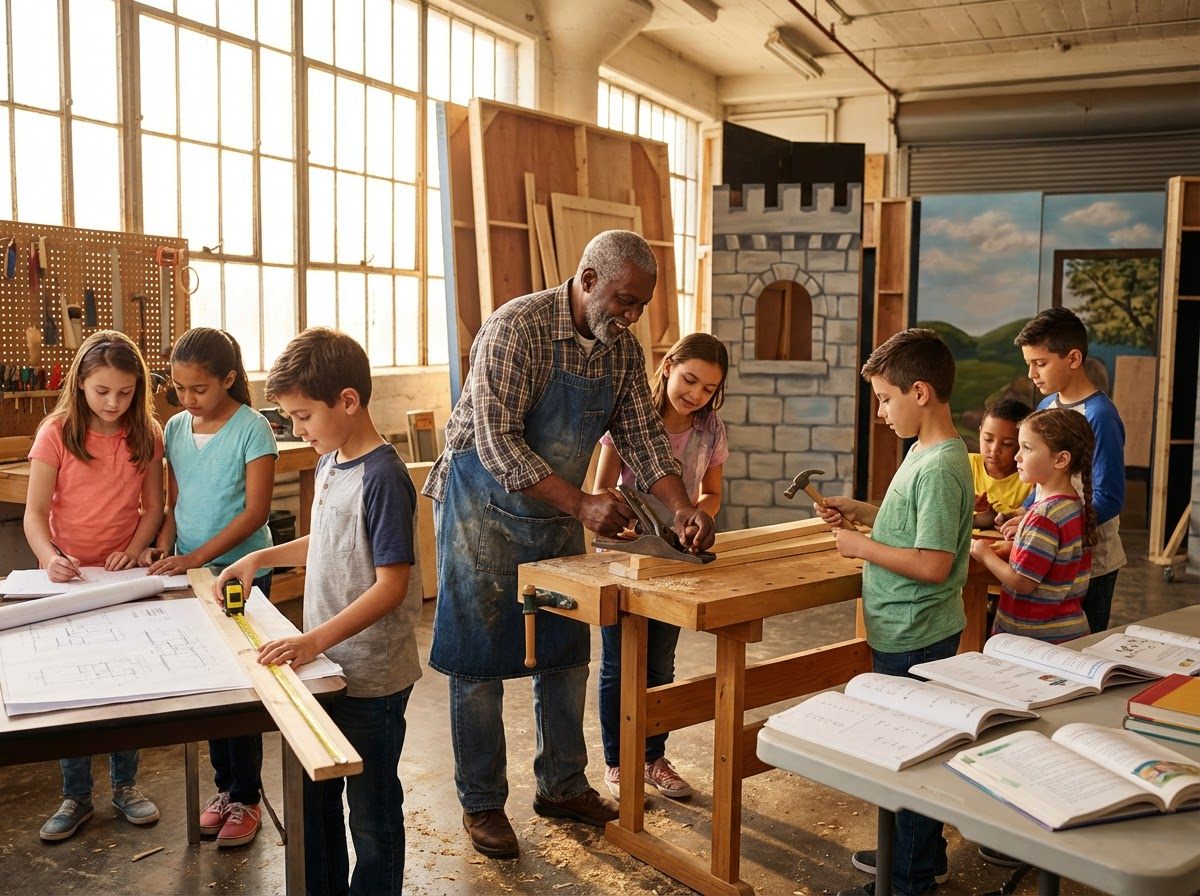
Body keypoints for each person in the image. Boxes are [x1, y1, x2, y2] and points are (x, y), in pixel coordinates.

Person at [422, 229, 716, 860]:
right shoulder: (514, 329)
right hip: (481, 508)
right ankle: (482, 802)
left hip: (551, 515)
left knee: (562, 653)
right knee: (479, 663)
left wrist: (683, 506)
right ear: (586, 279)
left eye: (641, 305)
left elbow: (642, 437)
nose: (631, 315)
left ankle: (561, 785)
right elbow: (497, 443)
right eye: (623, 300)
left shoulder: (622, 352)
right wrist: (582, 503)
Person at [215, 328, 422, 895]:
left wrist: (311, 641)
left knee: (372, 811)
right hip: (327, 670)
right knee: (316, 798)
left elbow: (390, 587)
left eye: (302, 417)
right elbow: (326, 539)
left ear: (348, 401)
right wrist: (261, 556)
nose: (297, 431)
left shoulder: (383, 477)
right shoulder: (333, 461)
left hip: (371, 680)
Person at [814, 328, 973, 896]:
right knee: (913, 747)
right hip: (906, 627)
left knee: (909, 756)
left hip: (916, 633)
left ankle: (907, 880)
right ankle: (916, 853)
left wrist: (862, 547)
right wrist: (864, 511)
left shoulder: (939, 465)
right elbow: (912, 523)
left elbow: (932, 563)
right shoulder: (924, 453)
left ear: (921, 392)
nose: (880, 411)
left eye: (885, 398)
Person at [24, 331, 163, 841]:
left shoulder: (146, 431)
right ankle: (76, 795)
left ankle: (125, 785)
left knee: (127, 680)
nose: (112, 403)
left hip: (121, 577)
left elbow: (153, 508)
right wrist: (50, 556)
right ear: (80, 383)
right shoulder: (56, 432)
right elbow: (35, 515)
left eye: (125, 393)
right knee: (72, 685)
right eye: (102, 391)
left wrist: (135, 547)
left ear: (138, 389)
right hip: (67, 576)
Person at [147, 328, 278, 848]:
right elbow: (174, 501)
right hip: (188, 571)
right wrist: (164, 547)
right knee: (210, 688)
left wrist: (197, 559)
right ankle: (225, 790)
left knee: (245, 689)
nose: (187, 399)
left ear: (229, 379)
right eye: (178, 388)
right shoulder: (176, 428)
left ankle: (247, 797)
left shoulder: (254, 429)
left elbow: (256, 512)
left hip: (239, 574)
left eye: (199, 388)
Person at [594, 332, 729, 801]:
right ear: (668, 365)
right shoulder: (631, 420)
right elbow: (603, 486)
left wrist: (700, 514)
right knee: (619, 664)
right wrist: (620, 518)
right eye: (690, 380)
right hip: (626, 553)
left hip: (676, 553)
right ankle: (617, 761)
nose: (696, 395)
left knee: (659, 666)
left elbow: (711, 491)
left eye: (709, 389)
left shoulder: (710, 429)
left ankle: (652, 757)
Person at [1003, 308, 1125, 635]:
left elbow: (1109, 498)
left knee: (1079, 652)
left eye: (1039, 363)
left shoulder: (1100, 415)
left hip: (1090, 563)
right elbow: (1045, 486)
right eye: (1028, 364)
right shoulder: (1045, 408)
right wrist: (1023, 513)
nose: (1031, 374)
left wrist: (1059, 527)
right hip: (1048, 557)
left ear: (1073, 358)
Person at [970, 408, 1095, 643]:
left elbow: (1023, 582)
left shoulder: (1044, 515)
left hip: (1033, 638)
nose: (1017, 456)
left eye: (1026, 448)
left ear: (1061, 459)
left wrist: (985, 554)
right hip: (1066, 631)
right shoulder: (1071, 505)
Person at [969, 398, 1032, 530]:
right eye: (988, 439)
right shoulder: (965, 465)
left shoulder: (1030, 480)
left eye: (1007, 444)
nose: (994, 450)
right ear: (980, 433)